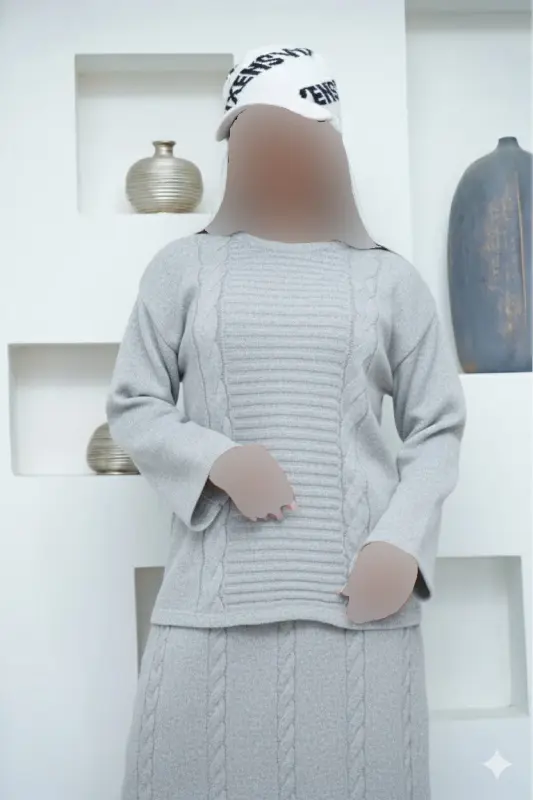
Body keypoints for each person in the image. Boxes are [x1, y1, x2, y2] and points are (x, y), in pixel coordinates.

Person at [107, 44, 466, 800]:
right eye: (248, 140)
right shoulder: (182, 269)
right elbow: (135, 401)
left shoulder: (388, 280)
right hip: (211, 609)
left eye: (288, 136)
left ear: (328, 147)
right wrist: (215, 459)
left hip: (359, 609)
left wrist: (400, 543)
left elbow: (437, 426)